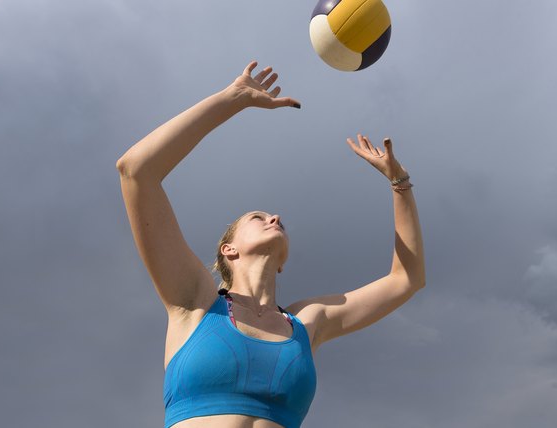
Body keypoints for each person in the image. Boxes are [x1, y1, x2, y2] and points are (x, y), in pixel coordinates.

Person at [116, 61, 425, 428]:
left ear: (283, 262)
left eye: (276, 218)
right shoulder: (195, 300)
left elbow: (406, 279)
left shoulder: (306, 323)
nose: (274, 218)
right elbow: (136, 170)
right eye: (257, 218)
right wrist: (232, 99)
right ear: (229, 249)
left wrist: (400, 184)